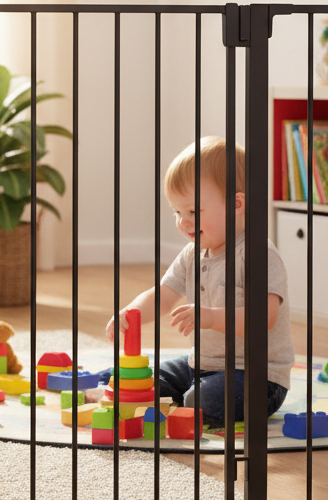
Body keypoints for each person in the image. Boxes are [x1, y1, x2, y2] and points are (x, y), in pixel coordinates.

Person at [106, 136, 293, 426]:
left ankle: (191, 400)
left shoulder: (257, 254)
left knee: (202, 401)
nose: (183, 222)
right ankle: (180, 396)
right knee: (143, 382)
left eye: (193, 212)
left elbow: (264, 317)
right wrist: (130, 314)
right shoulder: (193, 253)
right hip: (200, 363)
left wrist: (210, 318)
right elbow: (163, 294)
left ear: (237, 203)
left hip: (256, 374)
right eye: (177, 213)